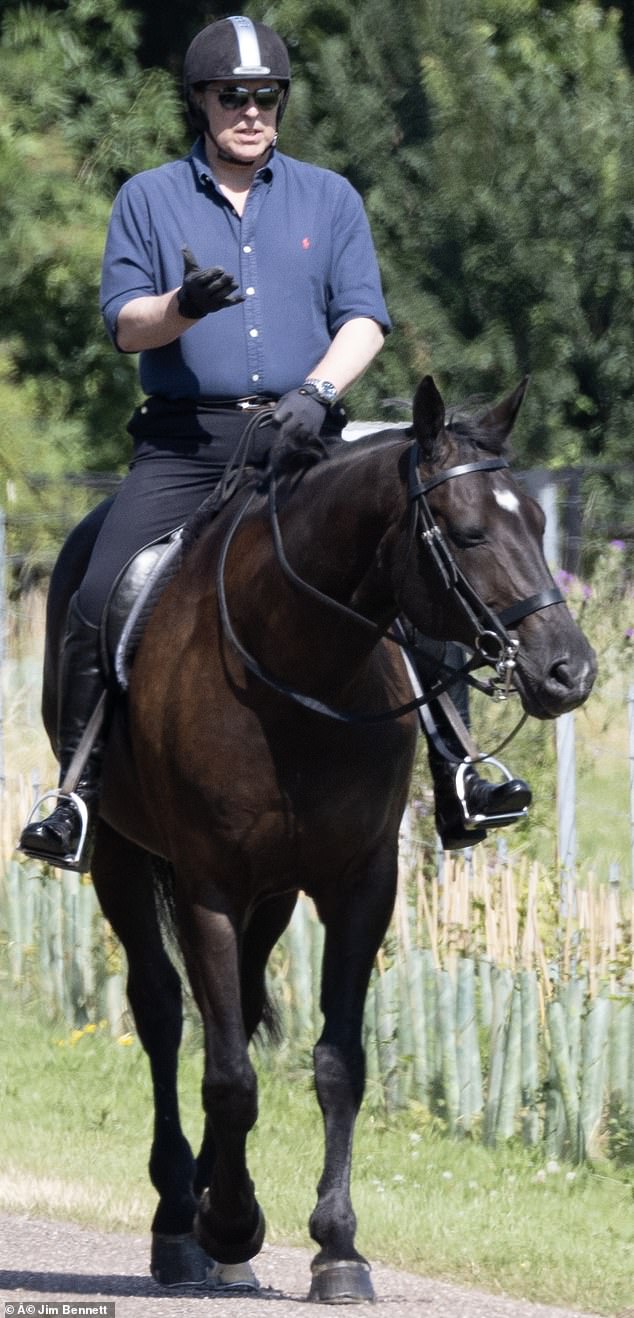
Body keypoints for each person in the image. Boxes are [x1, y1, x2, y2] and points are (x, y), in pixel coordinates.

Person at [19, 15, 529, 872]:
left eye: (266, 98)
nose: (251, 112)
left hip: (306, 438)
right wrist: (182, 306)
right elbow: (124, 327)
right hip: (188, 443)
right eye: (233, 97)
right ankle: (76, 791)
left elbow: (365, 317)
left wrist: (317, 393)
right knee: (99, 588)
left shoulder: (329, 198)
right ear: (202, 102)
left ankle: (460, 767)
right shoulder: (147, 197)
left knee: (421, 556)